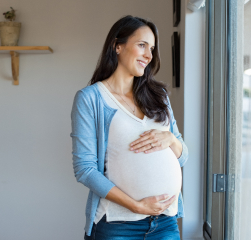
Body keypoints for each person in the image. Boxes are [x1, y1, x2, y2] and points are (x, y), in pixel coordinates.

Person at [70, 15, 189, 240]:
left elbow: (183, 158)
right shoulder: (91, 99)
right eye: (142, 45)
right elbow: (85, 169)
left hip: (165, 222)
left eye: (152, 48)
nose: (149, 55)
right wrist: (136, 206)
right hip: (118, 224)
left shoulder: (159, 96)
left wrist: (171, 140)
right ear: (118, 46)